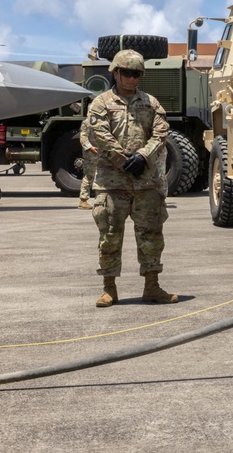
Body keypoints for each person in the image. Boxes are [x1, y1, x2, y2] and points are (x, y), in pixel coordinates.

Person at [87, 49, 178, 307]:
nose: (130, 78)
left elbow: (161, 132)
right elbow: (99, 133)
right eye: (125, 72)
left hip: (146, 182)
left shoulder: (151, 103)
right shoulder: (101, 103)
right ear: (115, 72)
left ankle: (152, 286)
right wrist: (122, 160)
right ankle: (109, 289)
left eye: (135, 73)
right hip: (112, 183)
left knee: (151, 236)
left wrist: (143, 156)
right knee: (110, 236)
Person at [77, 118, 97, 209]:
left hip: (101, 151)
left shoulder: (104, 119)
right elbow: (83, 137)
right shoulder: (87, 122)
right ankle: (83, 200)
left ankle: (100, 200)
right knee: (89, 175)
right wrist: (90, 148)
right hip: (91, 153)